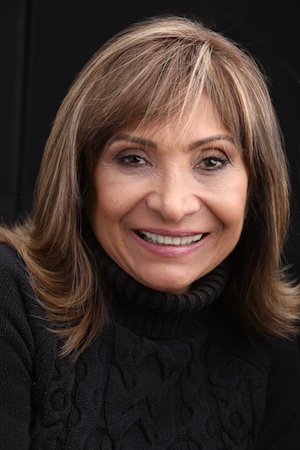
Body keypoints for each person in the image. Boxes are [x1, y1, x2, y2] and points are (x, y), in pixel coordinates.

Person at [0, 14, 300, 450]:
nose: (173, 205)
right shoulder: (10, 302)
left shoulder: (281, 350)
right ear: (81, 177)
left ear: (257, 187)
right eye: (134, 159)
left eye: (212, 161)